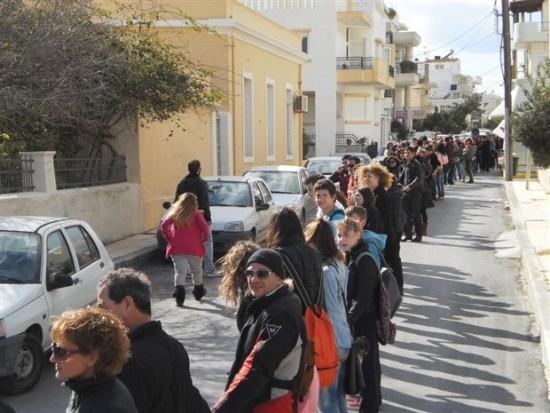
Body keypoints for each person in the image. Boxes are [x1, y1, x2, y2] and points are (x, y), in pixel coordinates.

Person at [97, 268, 210, 413]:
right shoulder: (173, 345)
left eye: (102, 307)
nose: (99, 314)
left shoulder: (126, 359)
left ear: (127, 303)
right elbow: (190, 400)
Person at [212, 249, 308, 413]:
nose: (254, 278)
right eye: (250, 273)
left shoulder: (280, 315)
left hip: (270, 404)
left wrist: (222, 408)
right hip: (259, 400)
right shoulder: (264, 304)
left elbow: (258, 367)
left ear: (278, 277)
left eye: (262, 273)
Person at [49, 306, 138, 413]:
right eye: (53, 347)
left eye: (60, 351)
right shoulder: (83, 386)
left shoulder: (107, 408)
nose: (52, 359)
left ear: (91, 358)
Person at [304, 219, 352, 413]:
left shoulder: (325, 271)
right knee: (338, 396)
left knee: (327, 402)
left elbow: (329, 310)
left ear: (315, 242)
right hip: (344, 337)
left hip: (331, 342)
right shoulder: (340, 263)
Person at [335, 218, 381, 413]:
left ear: (358, 235)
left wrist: (349, 320)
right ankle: (371, 402)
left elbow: (363, 298)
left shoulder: (364, 259)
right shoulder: (350, 256)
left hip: (366, 321)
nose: (342, 239)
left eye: (346, 235)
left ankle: (370, 406)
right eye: (339, 235)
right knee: (364, 366)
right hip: (358, 320)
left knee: (368, 367)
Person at [265, 207, 324, 312]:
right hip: (314, 318)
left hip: (291, 318)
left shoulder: (277, 256)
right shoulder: (314, 252)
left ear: (274, 229)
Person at [174, 159, 220, 278]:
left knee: (189, 242)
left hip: (183, 218)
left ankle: (189, 270)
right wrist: (208, 218)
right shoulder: (201, 183)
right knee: (207, 241)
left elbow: (176, 202)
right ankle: (209, 269)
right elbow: (204, 202)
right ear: (198, 169)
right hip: (199, 216)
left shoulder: (181, 183)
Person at [161, 192, 209, 305]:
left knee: (180, 272)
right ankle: (198, 292)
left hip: (177, 247)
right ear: (194, 203)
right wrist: (204, 238)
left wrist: (169, 237)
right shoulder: (197, 214)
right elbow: (204, 227)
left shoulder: (175, 213)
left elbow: (164, 225)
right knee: (196, 271)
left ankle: (179, 296)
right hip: (194, 247)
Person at [399, 147, 424, 243]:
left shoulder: (417, 164)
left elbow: (419, 178)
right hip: (405, 193)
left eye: (408, 153)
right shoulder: (406, 163)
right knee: (405, 213)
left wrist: (410, 186)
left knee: (416, 214)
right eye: (405, 152)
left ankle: (419, 235)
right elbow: (402, 177)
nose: (406, 154)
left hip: (415, 192)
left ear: (413, 153)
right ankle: (408, 234)